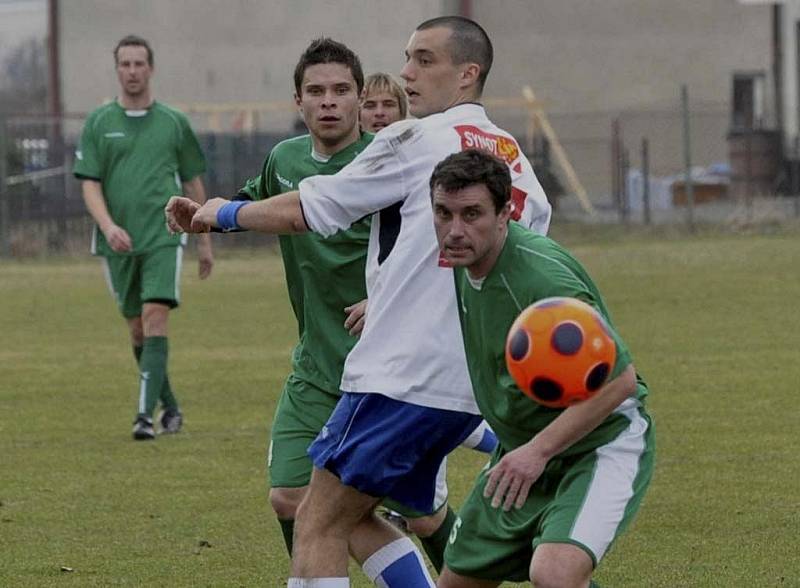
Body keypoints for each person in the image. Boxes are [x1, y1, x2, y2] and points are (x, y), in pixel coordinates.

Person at [166, 16, 552, 587]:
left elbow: (310, 209)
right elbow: (523, 262)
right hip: (470, 383)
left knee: (317, 521)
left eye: (424, 60)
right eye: (407, 57)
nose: (405, 73)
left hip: (399, 378)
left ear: (467, 74)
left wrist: (217, 213)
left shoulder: (416, 140)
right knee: (363, 513)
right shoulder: (514, 160)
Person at [234, 38, 436, 581]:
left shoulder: (390, 160)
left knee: (426, 515)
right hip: (317, 364)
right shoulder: (285, 159)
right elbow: (265, 205)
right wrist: (207, 217)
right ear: (297, 101)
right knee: (289, 496)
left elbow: (437, 241)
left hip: (386, 371)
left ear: (359, 97)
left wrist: (386, 296)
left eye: (342, 90)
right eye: (316, 91)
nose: (329, 102)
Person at [428, 149, 655, 588]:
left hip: (598, 445)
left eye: (472, 213)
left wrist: (538, 452)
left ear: (506, 213)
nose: (454, 230)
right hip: (522, 448)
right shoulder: (461, 257)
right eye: (444, 213)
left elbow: (621, 381)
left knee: (553, 573)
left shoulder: (543, 281)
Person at [360, 71, 501, 558]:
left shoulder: (418, 161)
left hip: (410, 358)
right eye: (370, 104)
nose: (379, 114)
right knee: (413, 510)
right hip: (374, 352)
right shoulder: (360, 164)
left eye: (388, 105)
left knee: (335, 508)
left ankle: (510, 444)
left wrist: (229, 217)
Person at [74, 34, 213, 441]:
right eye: (125, 64)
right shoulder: (99, 123)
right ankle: (170, 406)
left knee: (155, 317)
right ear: (117, 69)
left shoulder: (173, 122)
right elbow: (89, 184)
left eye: (139, 63)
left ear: (150, 68)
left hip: (163, 237)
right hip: (117, 243)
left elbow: (193, 180)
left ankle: (143, 416)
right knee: (138, 330)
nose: (132, 71)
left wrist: (204, 238)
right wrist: (108, 226)